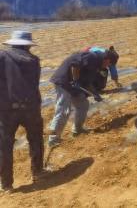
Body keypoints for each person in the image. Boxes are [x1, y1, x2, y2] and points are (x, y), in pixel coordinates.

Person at [0, 31, 47, 192]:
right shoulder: (34, 61)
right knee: (35, 139)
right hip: (31, 107)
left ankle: (6, 184)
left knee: (4, 146)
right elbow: (34, 84)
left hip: (6, 110)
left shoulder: (2, 57)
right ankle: (38, 172)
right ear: (28, 45)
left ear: (12, 43)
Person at [47, 49, 116, 146]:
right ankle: (53, 139)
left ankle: (77, 129)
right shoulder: (92, 57)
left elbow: (88, 83)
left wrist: (95, 94)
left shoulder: (97, 66)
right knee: (63, 109)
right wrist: (75, 80)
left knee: (83, 105)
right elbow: (75, 64)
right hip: (64, 82)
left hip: (74, 86)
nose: (108, 66)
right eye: (109, 64)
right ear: (106, 59)